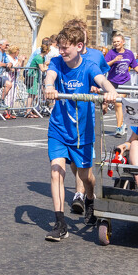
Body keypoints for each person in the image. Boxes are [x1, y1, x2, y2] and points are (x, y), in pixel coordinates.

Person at [42, 22, 119, 240]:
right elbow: (50, 76)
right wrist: (49, 87)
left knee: (86, 176)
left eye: (66, 47)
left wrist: (111, 92)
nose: (61, 51)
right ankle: (60, 223)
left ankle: (91, 199)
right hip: (58, 127)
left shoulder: (89, 65)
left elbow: (102, 80)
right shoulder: (57, 62)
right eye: (60, 46)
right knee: (56, 171)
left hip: (82, 131)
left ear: (79, 46)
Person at [104, 32, 136, 137]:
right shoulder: (111, 53)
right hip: (112, 81)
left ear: (123, 42)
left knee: (118, 103)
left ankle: (119, 127)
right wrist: (114, 60)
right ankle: (121, 123)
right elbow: (104, 66)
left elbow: (134, 66)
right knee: (117, 104)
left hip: (125, 81)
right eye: (114, 42)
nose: (116, 43)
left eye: (118, 41)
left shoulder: (129, 53)